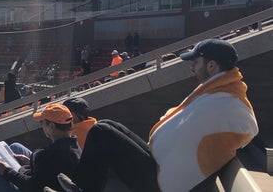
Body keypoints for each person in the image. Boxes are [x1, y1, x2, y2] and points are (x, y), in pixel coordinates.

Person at [60, 39, 258, 192]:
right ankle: (82, 187)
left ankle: (83, 188)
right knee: (108, 125)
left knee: (101, 131)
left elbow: (247, 125)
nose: (192, 67)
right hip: (160, 168)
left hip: (162, 183)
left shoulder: (228, 100)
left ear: (212, 65)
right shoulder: (219, 92)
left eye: (196, 62)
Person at [0, 104, 81, 192]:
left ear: (51, 126)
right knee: (14, 147)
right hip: (44, 178)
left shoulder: (53, 155)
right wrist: (29, 163)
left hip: (31, 187)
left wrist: (6, 172)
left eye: (42, 123)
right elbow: (47, 173)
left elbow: (32, 186)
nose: (42, 127)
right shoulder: (73, 147)